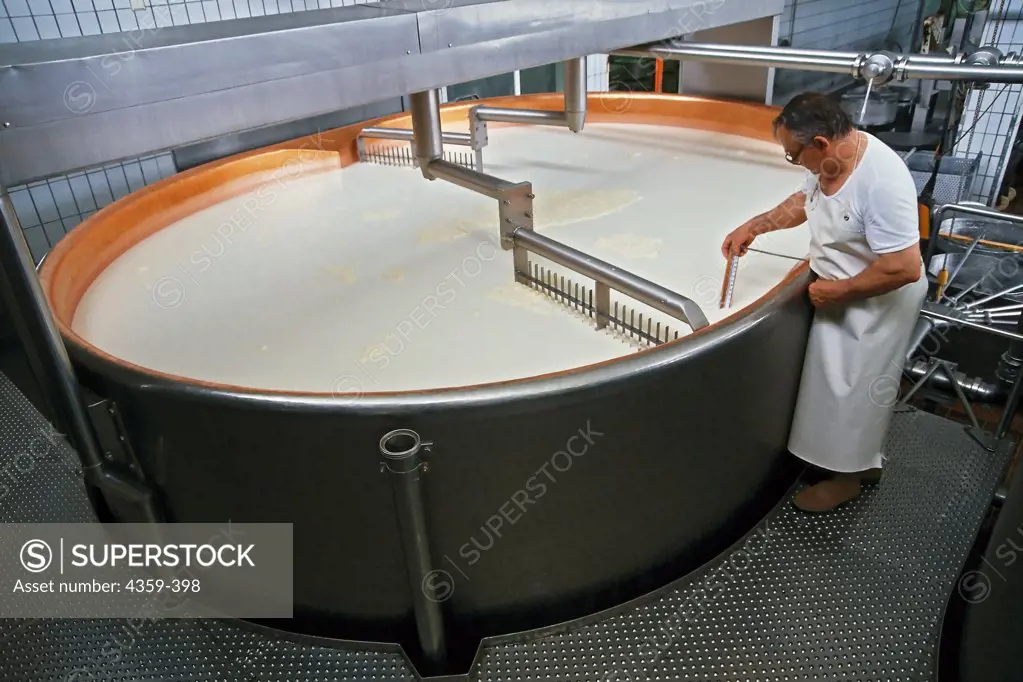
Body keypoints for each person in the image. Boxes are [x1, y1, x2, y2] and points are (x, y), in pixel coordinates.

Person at [721, 92, 928, 513]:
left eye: (793, 155)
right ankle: (857, 462)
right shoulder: (833, 157)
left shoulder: (881, 183)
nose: (793, 162)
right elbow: (804, 202)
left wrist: (840, 290)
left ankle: (848, 478)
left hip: (876, 299)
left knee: (853, 388)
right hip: (843, 290)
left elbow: (904, 266)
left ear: (820, 144)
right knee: (834, 385)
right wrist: (756, 226)